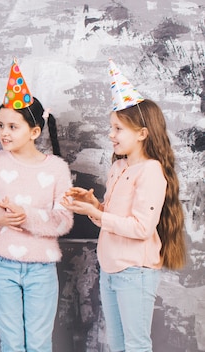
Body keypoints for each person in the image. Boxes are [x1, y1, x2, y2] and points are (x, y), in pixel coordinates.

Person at [61, 59, 186, 352]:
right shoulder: (118, 168)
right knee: (117, 344)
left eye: (118, 129)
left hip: (135, 272)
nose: (111, 134)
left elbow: (142, 228)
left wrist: (95, 214)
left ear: (142, 133)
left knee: (136, 345)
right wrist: (95, 205)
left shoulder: (151, 171)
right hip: (110, 269)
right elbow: (114, 218)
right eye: (111, 128)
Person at [0, 59, 74, 352]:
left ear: (35, 131)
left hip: (41, 268)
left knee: (39, 344)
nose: (4, 132)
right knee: (12, 344)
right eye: (1, 125)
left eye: (13, 126)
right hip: (2, 266)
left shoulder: (56, 169)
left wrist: (25, 216)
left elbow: (64, 220)